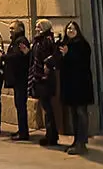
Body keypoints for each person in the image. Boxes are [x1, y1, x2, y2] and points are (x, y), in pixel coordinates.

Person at [59, 21, 94, 155]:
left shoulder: (82, 45)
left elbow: (82, 62)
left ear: (78, 30)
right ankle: (76, 140)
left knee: (81, 112)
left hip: (81, 84)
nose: (70, 30)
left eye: (73, 28)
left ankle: (82, 142)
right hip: (70, 85)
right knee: (73, 113)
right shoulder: (66, 44)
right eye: (68, 28)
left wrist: (69, 54)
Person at [30, 19, 60, 147]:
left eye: (39, 26)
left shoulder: (48, 40)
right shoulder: (39, 40)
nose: (37, 28)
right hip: (38, 77)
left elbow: (53, 56)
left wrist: (47, 67)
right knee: (45, 107)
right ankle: (50, 134)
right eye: (36, 26)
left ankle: (52, 136)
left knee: (48, 108)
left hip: (45, 78)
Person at [4, 20, 31, 141]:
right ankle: (21, 130)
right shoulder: (15, 41)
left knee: (21, 105)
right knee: (18, 105)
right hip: (17, 79)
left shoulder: (21, 41)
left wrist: (2, 56)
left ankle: (23, 133)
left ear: (19, 29)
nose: (10, 31)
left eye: (12, 28)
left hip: (21, 78)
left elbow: (16, 56)